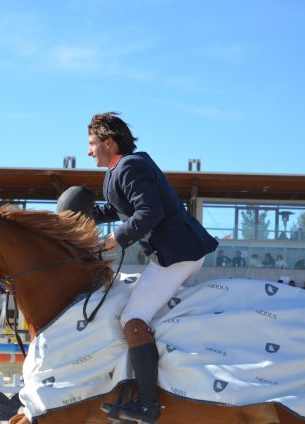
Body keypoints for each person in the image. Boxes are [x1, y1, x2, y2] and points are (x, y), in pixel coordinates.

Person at [61, 112, 218, 423]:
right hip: (176, 252)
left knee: (132, 318)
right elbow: (121, 208)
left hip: (178, 254)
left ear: (109, 142)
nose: (88, 150)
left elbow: (149, 211)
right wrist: (85, 214)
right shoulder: (117, 170)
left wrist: (113, 240)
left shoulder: (130, 165)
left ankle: (148, 406)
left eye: (92, 144)